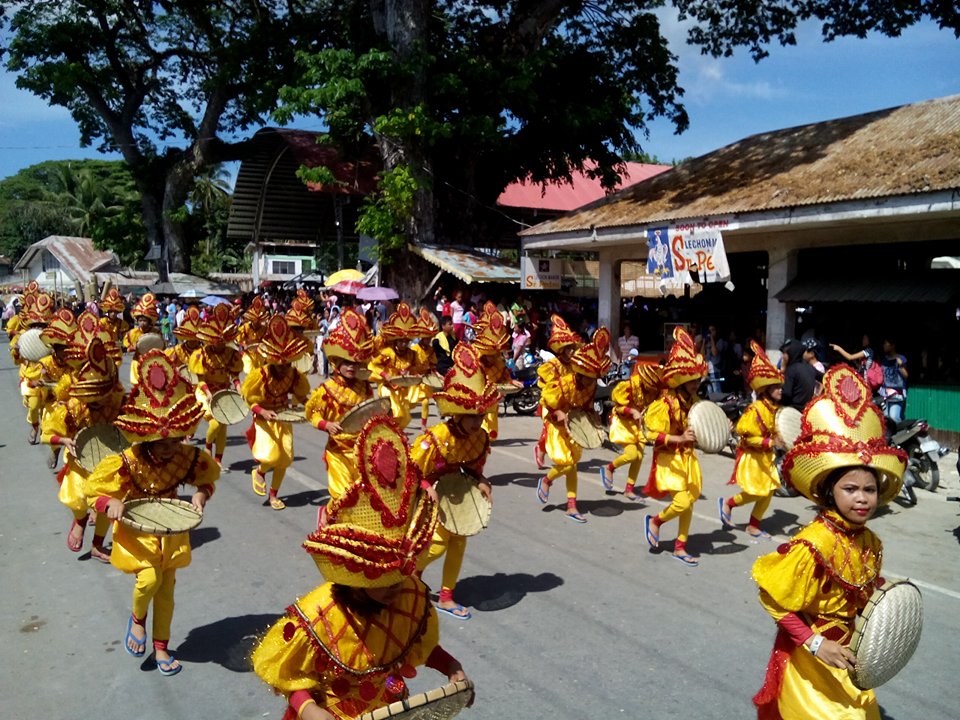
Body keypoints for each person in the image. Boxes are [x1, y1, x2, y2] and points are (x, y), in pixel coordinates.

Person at [251, 415, 471, 720]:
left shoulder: (409, 594)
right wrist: (308, 708)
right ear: (358, 582)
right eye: (387, 582)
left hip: (393, 710)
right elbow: (290, 673)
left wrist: (452, 667)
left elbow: (415, 643)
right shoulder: (319, 613)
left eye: (399, 579)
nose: (399, 588)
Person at [751, 364, 906, 719]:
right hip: (811, 664)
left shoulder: (872, 542)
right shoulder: (813, 544)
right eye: (850, 489)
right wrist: (816, 643)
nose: (862, 498)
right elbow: (772, 598)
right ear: (828, 492)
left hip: (853, 659)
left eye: (869, 489)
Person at [85, 350, 219, 677]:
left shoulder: (186, 457)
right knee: (148, 580)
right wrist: (110, 505)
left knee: (168, 591)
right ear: (144, 437)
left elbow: (207, 480)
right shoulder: (128, 461)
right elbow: (94, 492)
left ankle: (161, 647)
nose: (169, 446)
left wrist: (201, 497)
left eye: (174, 439)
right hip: (136, 528)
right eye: (161, 441)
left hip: (172, 528)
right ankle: (137, 618)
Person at [413, 343, 498, 619]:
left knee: (459, 541)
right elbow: (414, 472)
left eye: (482, 416)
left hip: (455, 492)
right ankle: (411, 576)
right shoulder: (436, 437)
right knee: (436, 544)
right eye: (472, 416)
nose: (478, 422)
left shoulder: (480, 438)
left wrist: (482, 479)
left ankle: (447, 596)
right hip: (428, 491)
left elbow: (472, 469)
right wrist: (427, 489)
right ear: (457, 413)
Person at [45, 335, 125, 561]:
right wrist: (63, 442)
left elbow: (132, 429)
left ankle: (98, 545)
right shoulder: (73, 407)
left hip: (108, 460)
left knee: (105, 501)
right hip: (79, 461)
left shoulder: (118, 401)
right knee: (79, 500)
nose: (98, 400)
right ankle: (79, 520)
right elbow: (48, 433)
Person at [642, 326, 708, 566]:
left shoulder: (696, 402)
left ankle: (680, 547)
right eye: (691, 381)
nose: (696, 384)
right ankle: (656, 521)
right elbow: (651, 434)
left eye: (697, 380)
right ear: (680, 381)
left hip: (687, 458)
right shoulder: (664, 404)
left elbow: (702, 426)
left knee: (688, 502)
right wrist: (678, 439)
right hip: (668, 458)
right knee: (681, 502)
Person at [536, 328, 611, 523]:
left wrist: (593, 416)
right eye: (590, 376)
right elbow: (547, 402)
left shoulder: (591, 384)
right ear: (580, 372)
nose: (593, 381)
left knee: (573, 465)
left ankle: (571, 506)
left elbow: (586, 405)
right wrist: (559, 413)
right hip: (557, 425)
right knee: (567, 463)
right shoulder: (563, 384)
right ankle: (546, 480)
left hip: (574, 425)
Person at [241, 315, 312, 510]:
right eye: (280, 365)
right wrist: (262, 411)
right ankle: (260, 472)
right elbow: (249, 401)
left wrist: (312, 406)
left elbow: (302, 396)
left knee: (284, 460)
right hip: (264, 419)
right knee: (271, 456)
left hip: (284, 417)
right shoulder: (260, 375)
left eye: (288, 364)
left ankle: (274, 495)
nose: (284, 369)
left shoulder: (294, 375)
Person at [304, 307, 375, 504]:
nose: (351, 366)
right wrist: (326, 425)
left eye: (354, 362)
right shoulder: (327, 389)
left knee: (362, 497)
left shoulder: (365, 388)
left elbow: (371, 414)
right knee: (342, 495)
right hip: (338, 451)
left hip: (362, 452)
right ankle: (329, 527)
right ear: (336, 363)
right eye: (346, 362)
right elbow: (313, 413)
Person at [719, 342, 784, 540]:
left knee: (769, 491)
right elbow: (745, 437)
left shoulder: (776, 410)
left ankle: (753, 526)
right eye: (776, 388)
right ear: (766, 389)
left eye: (780, 387)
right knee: (758, 492)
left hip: (765, 457)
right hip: (753, 457)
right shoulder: (755, 410)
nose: (781, 391)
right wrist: (770, 443)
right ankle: (730, 503)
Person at [189, 304, 244, 466]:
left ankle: (218, 459)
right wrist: (207, 393)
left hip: (223, 392)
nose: (219, 343)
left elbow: (234, 375)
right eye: (216, 340)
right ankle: (207, 447)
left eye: (222, 341)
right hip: (204, 392)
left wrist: (239, 389)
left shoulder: (231, 354)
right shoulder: (202, 354)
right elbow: (200, 378)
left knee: (223, 427)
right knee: (215, 423)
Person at [600, 362, 663, 500]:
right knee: (631, 455)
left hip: (639, 426)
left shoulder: (654, 390)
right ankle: (610, 468)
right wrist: (632, 411)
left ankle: (629, 489)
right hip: (624, 424)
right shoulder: (628, 387)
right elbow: (618, 408)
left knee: (639, 457)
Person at [368, 302, 429, 430]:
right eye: (401, 341)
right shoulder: (388, 353)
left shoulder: (412, 354)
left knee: (405, 417)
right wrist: (386, 375)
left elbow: (417, 368)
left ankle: (393, 434)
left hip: (402, 389)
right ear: (396, 340)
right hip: (387, 387)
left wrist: (416, 374)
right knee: (394, 410)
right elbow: (373, 366)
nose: (403, 344)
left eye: (406, 341)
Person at [533, 314, 581, 468]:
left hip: (567, 403)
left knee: (565, 430)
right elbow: (545, 387)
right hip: (551, 403)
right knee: (550, 428)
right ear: (562, 349)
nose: (572, 351)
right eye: (569, 349)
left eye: (573, 348)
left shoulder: (574, 365)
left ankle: (563, 453)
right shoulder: (552, 365)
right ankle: (541, 451)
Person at [779, 338, 821, 410]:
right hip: (807, 410)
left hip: (793, 411)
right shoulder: (810, 367)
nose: (783, 357)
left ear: (791, 353)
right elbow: (825, 377)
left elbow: (787, 394)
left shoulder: (791, 370)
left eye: (784, 353)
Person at [879, 337, 908, 421]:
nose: (884, 346)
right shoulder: (884, 359)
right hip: (885, 394)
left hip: (896, 394)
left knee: (894, 418)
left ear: (892, 346)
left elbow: (906, 375)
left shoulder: (901, 358)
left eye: (886, 344)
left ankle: (900, 434)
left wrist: (901, 365)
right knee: (885, 420)